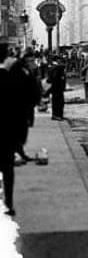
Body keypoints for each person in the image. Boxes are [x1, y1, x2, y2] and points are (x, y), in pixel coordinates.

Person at [0, 43, 28, 216]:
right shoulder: (9, 78)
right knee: (7, 169)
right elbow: (18, 108)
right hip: (6, 131)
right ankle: (8, 203)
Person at [48, 56, 67, 121]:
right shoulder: (56, 68)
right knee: (58, 102)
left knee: (59, 102)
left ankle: (59, 115)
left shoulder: (55, 67)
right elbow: (54, 78)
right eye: (60, 60)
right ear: (57, 60)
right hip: (57, 88)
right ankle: (56, 115)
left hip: (57, 88)